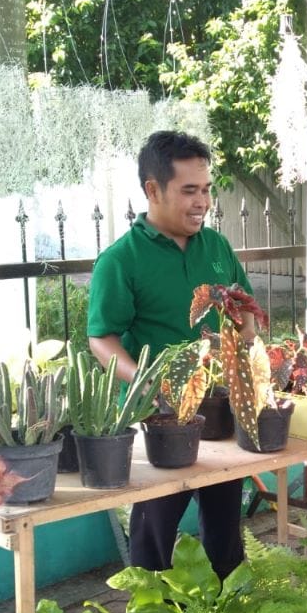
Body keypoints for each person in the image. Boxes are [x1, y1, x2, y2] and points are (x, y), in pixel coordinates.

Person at [87, 130, 255, 577]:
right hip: (155, 417)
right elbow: (101, 339)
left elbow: (245, 311)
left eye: (206, 190)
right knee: (154, 532)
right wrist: (150, 382)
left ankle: (226, 606)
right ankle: (153, 611)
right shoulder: (121, 260)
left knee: (225, 525)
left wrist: (243, 340)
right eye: (189, 191)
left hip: (217, 407)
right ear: (153, 190)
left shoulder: (216, 247)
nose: (202, 202)